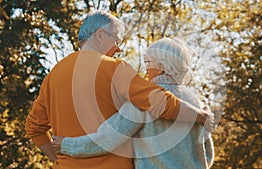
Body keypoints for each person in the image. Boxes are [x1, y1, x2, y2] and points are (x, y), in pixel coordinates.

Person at [25, 10, 214, 169]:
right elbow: (159, 101)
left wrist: (58, 160)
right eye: (116, 41)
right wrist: (200, 116)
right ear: (99, 35)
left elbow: (33, 128)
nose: (118, 49)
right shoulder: (114, 69)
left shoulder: (54, 75)